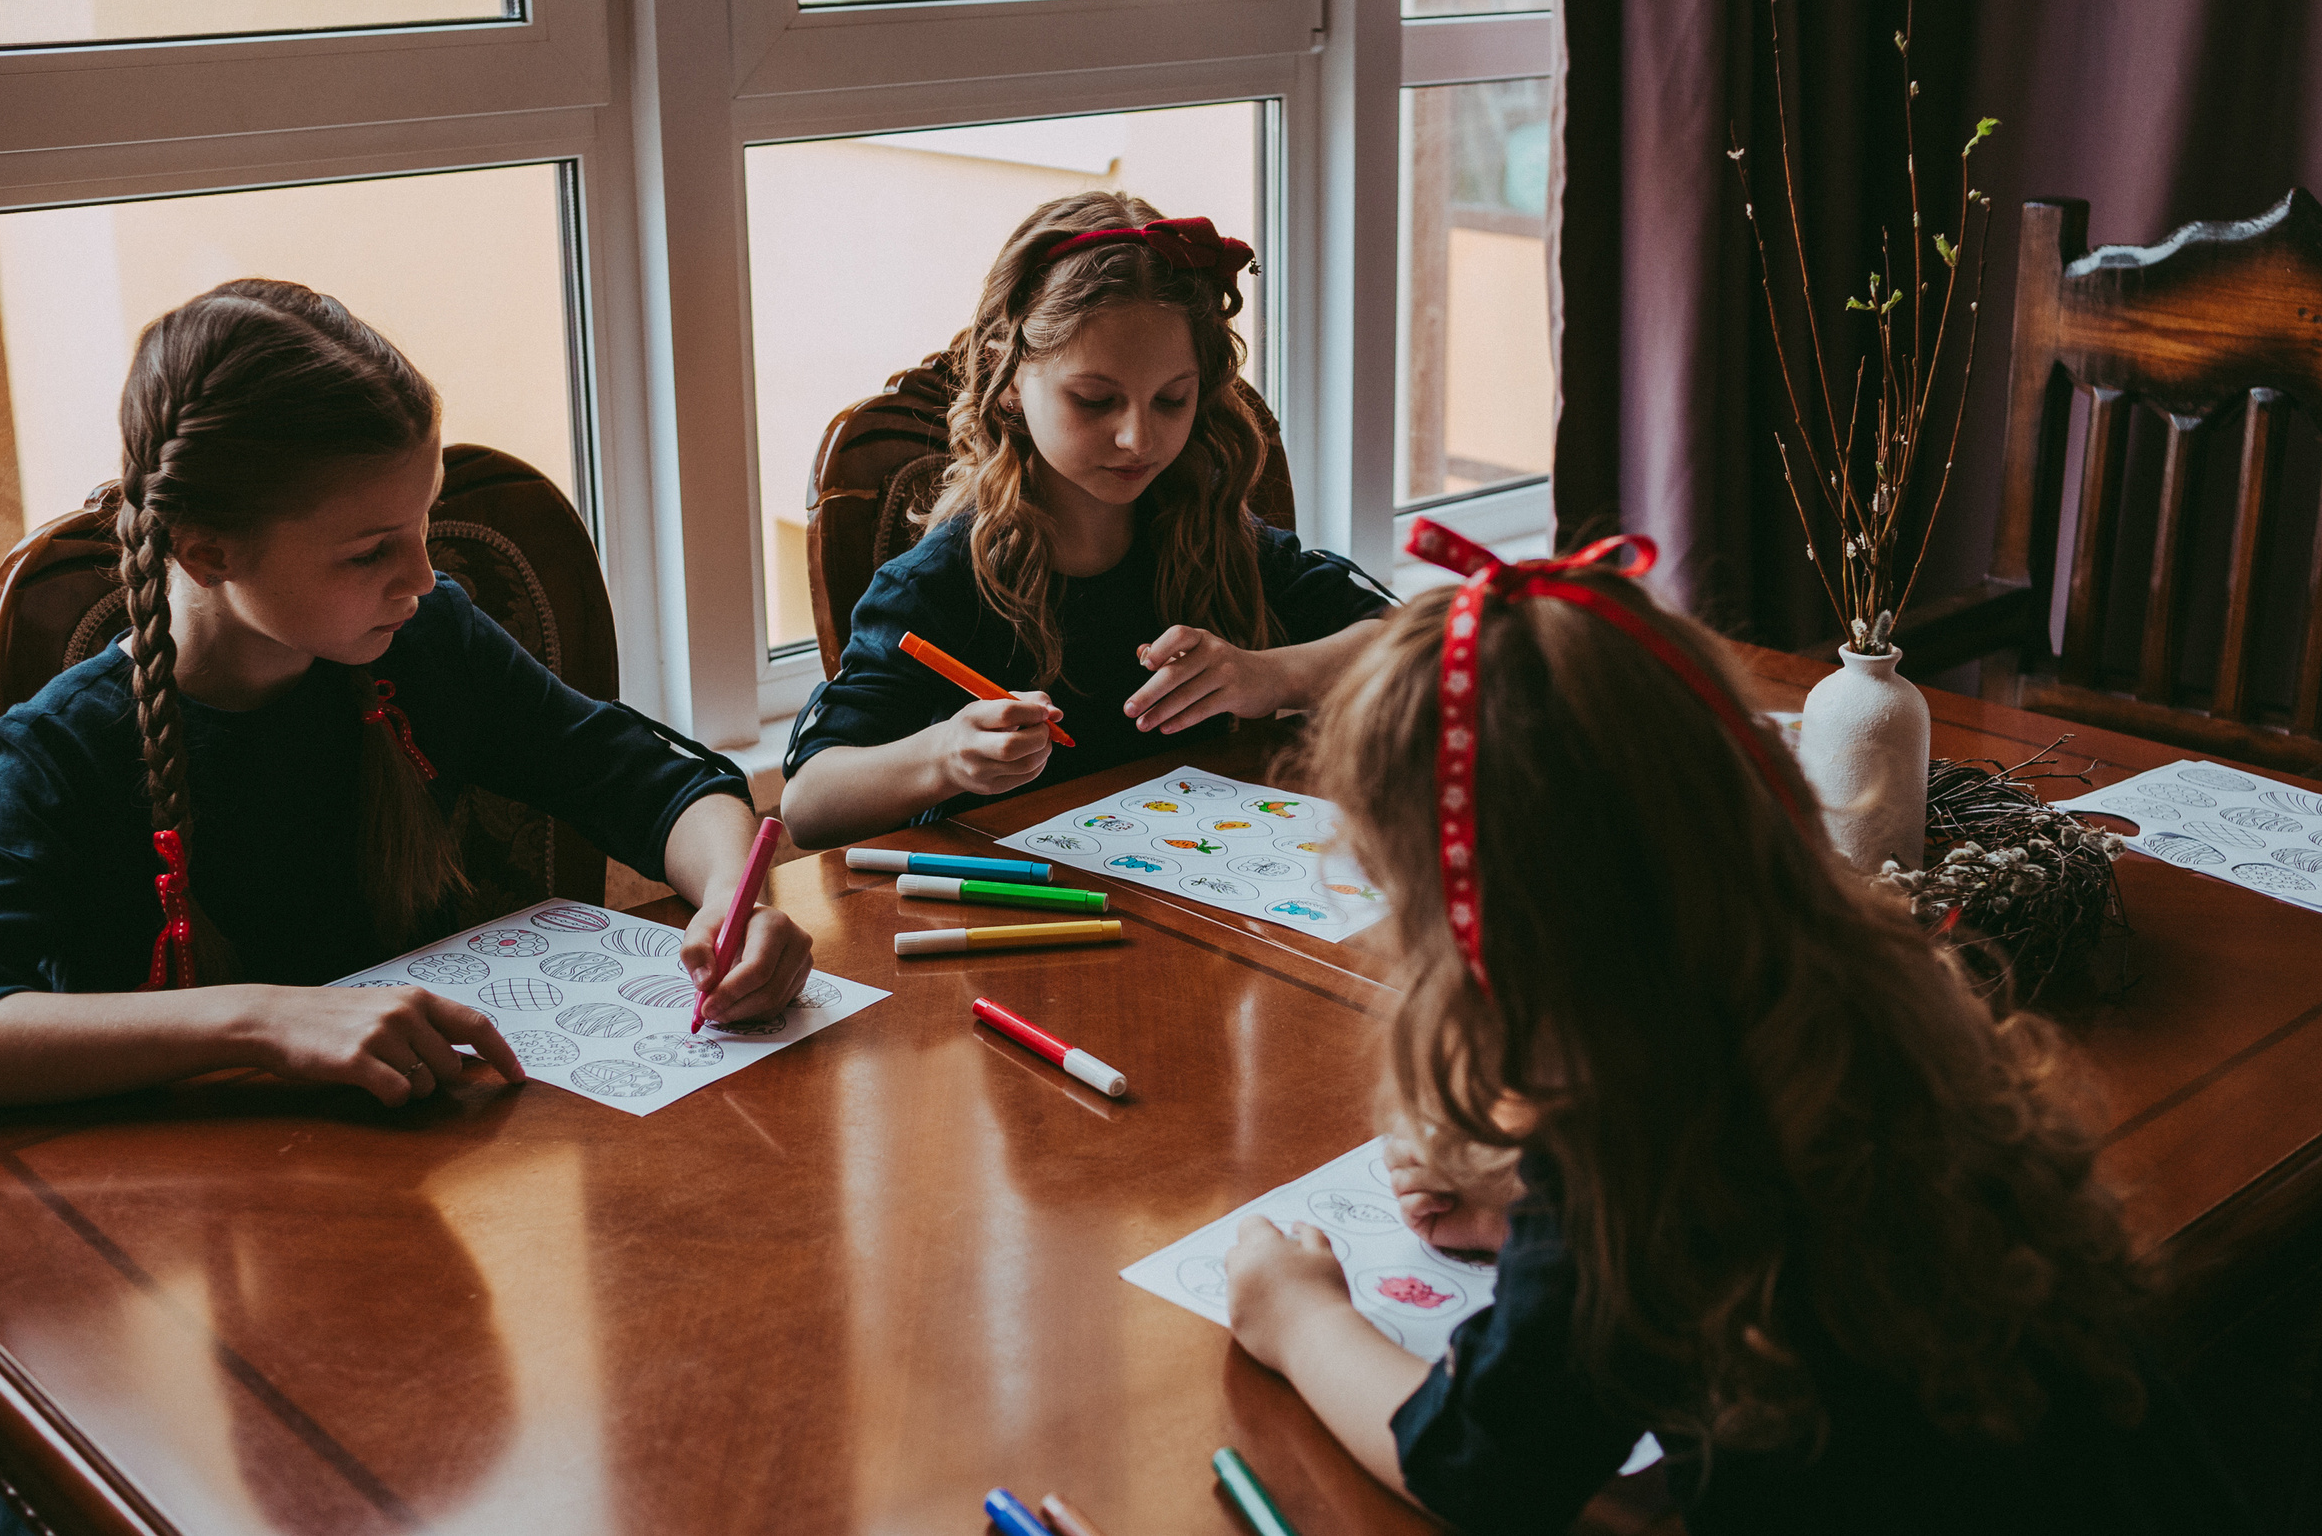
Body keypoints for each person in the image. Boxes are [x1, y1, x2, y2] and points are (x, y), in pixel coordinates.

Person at [1221, 522, 2250, 1533]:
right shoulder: (1848, 992)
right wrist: (1524, 1216)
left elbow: (1482, 1463)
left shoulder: (1629, 1146)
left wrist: (1299, 1314)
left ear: (1497, 926)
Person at [0, 278, 814, 1144]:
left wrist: (735, 899)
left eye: (425, 524)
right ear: (205, 553)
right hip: (183, 1245)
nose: (424, 577)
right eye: (369, 553)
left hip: (426, 1175)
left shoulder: (427, 641)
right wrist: (266, 1020)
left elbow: (658, 780)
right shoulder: (64, 752)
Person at [780, 192, 1390, 847]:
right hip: (1015, 917)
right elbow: (809, 802)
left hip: (1203, 890)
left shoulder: (1209, 535)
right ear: (1007, 375)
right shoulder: (937, 583)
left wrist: (1269, 676)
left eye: (1170, 400)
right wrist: (945, 755)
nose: (1138, 438)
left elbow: (1410, 644)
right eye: (1095, 400)